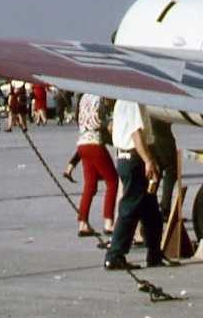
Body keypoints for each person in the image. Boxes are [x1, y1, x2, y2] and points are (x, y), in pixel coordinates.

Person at [105, 99, 167, 271]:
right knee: (130, 208)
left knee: (150, 210)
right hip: (134, 158)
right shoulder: (131, 101)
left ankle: (154, 252)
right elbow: (136, 134)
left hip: (127, 157)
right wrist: (148, 160)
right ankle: (115, 254)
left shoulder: (122, 101)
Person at [71, 94, 118, 237]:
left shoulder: (83, 98)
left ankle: (83, 222)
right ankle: (108, 222)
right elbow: (96, 120)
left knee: (90, 185)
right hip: (95, 142)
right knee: (112, 182)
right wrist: (108, 123)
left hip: (82, 143)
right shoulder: (97, 97)